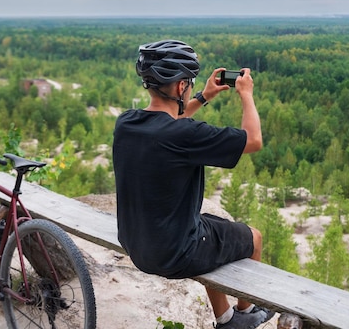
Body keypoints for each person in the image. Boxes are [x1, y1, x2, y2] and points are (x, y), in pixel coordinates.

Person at [113, 39, 274, 328]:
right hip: (175, 255)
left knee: (212, 226)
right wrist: (246, 94)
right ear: (179, 87)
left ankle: (225, 317)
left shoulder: (126, 123)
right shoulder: (184, 134)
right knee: (254, 238)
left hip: (135, 245)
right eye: (189, 82)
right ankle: (246, 316)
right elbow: (253, 140)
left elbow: (168, 124)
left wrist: (204, 96)